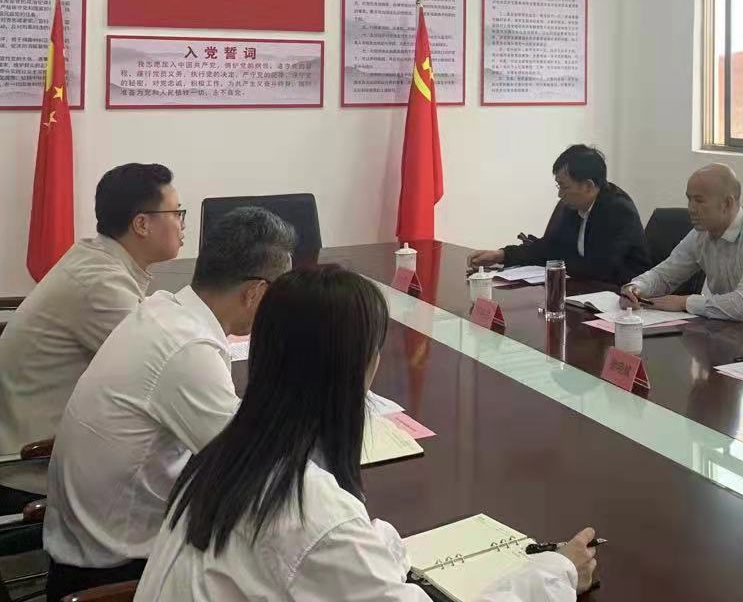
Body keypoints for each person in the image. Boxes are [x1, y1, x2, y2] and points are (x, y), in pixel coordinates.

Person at [135, 265, 597, 600]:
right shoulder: (309, 512)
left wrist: (375, 547)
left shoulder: (226, 454)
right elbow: (319, 542)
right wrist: (554, 573)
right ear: (360, 367)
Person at [43, 206, 296, 600]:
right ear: (255, 293)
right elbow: (254, 472)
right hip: (112, 569)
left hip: (88, 536)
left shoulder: (165, 309)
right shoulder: (187, 349)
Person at [0, 162, 186, 495]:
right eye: (176, 213)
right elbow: (166, 370)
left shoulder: (96, 259)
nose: (182, 224)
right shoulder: (99, 283)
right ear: (142, 224)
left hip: (32, 440)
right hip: (34, 465)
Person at [621, 164, 743, 331]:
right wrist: (636, 288)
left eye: (699, 201)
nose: (691, 208)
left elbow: (742, 306)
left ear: (728, 203)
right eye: (689, 199)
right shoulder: (701, 234)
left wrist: (684, 303)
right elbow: (664, 275)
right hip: (726, 331)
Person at [468, 145, 649, 285]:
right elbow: (547, 248)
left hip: (620, 298)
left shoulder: (618, 210)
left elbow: (599, 268)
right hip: (583, 291)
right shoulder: (571, 206)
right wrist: (501, 255)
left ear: (588, 186)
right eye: (558, 186)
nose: (560, 194)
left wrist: (556, 261)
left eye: (564, 186)